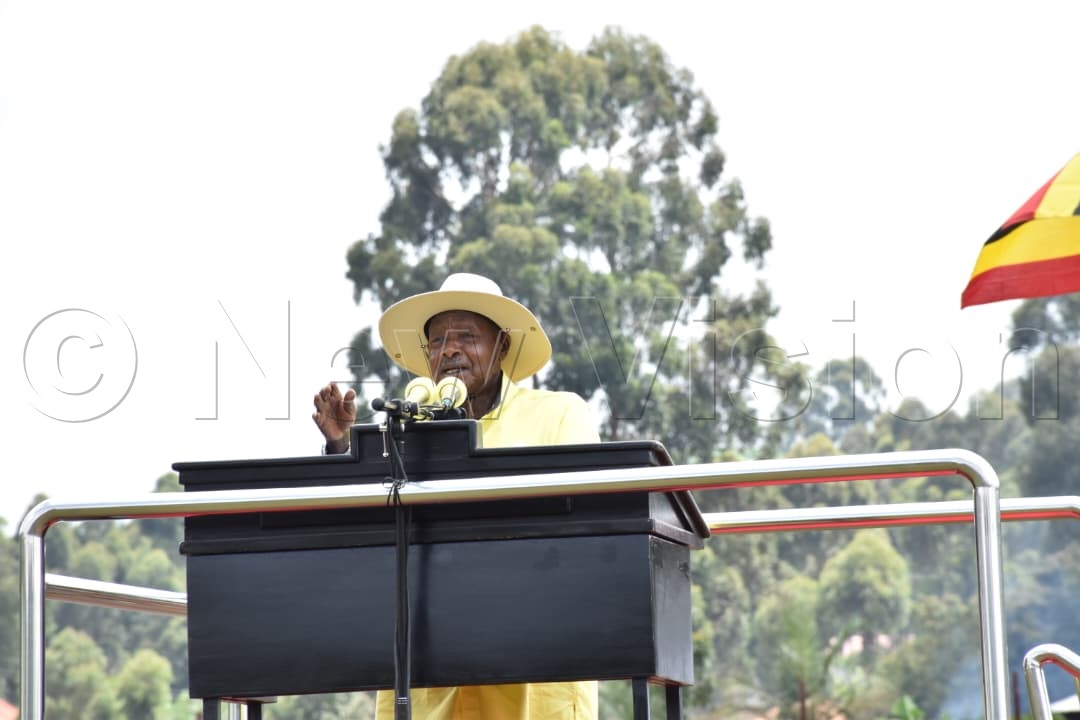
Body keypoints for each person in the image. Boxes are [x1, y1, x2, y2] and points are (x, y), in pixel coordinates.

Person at [312, 272, 601, 720]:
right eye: (437, 341)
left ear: (503, 345)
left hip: (533, 685)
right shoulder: (401, 434)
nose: (449, 350)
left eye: (467, 336)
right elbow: (355, 537)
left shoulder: (561, 414)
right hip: (428, 686)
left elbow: (592, 526)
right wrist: (343, 450)